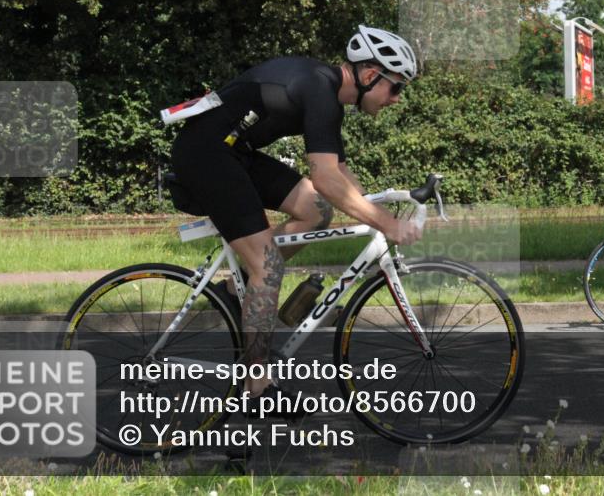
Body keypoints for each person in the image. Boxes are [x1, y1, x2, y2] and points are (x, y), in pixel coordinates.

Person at [169, 25, 422, 406]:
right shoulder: (319, 90)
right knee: (268, 265)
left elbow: (340, 175)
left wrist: (384, 209)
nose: (397, 99)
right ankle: (257, 389)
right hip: (206, 155)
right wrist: (387, 224)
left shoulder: (326, 93)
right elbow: (325, 179)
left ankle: (236, 291)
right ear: (371, 75)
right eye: (396, 87)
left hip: (233, 151)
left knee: (315, 211)